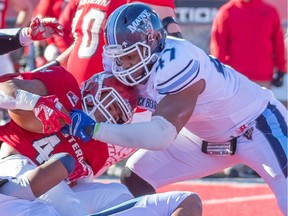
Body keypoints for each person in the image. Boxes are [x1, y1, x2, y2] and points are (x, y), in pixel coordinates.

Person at [62, 3, 288, 215]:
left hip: (257, 126)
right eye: (120, 58)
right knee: (136, 177)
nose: (125, 66)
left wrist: (96, 129)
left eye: (131, 55)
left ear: (155, 41)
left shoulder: (177, 61)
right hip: (203, 136)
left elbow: (160, 136)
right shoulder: (123, 62)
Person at [0, 67, 202, 216]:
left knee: (120, 194)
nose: (110, 114)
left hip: (57, 188)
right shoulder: (63, 85)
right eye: (112, 104)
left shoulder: (100, 148)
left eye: (118, 114)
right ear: (93, 88)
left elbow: (77, 184)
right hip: (18, 168)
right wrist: (34, 103)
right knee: (69, 206)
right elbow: (5, 88)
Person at [210, 0, 287, 90]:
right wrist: (219, 72)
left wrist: (281, 68)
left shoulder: (270, 11)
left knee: (261, 104)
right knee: (236, 104)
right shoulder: (226, 12)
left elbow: (278, 43)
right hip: (236, 78)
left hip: (263, 77)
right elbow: (219, 46)